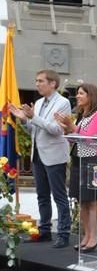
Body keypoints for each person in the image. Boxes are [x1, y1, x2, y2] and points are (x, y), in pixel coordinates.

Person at [9, 69, 71, 248]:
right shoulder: (38, 102)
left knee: (59, 196)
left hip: (54, 156)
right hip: (37, 155)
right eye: (36, 81)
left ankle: (63, 234)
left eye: (41, 81)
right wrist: (23, 120)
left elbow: (56, 129)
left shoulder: (63, 102)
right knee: (42, 196)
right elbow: (34, 130)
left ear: (52, 83)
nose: (37, 84)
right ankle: (44, 231)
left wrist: (33, 117)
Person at [54, 83, 97, 253]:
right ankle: (87, 235)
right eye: (77, 94)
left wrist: (71, 127)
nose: (77, 96)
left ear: (91, 96)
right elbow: (76, 139)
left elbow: (90, 140)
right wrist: (66, 129)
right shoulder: (82, 115)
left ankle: (95, 237)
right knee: (81, 200)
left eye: (81, 93)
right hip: (78, 159)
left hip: (93, 160)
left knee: (92, 200)